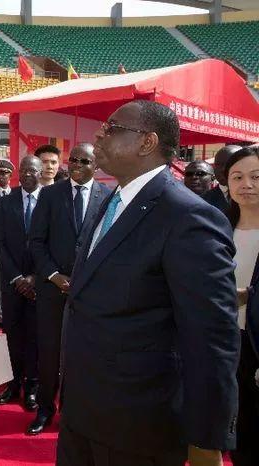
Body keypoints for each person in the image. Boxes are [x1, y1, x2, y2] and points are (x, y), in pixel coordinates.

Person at [57, 101, 239, 466]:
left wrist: (206, 437)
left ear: (147, 142)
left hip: (138, 426)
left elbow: (211, 336)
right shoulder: (114, 200)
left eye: (111, 128)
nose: (99, 135)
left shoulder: (188, 217)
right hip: (82, 412)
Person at [29, 142, 111, 436]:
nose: (76, 164)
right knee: (49, 353)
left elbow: (109, 246)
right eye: (73, 159)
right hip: (52, 290)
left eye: (84, 161)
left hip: (89, 294)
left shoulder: (108, 197)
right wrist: (53, 276)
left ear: (96, 165)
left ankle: (73, 413)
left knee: (83, 355)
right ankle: (45, 410)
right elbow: (36, 242)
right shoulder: (51, 194)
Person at [0, 156, 44, 413]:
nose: (27, 174)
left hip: (41, 284)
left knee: (35, 337)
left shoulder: (51, 200)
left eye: (32, 170)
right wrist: (17, 277)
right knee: (12, 335)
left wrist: (35, 276)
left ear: (41, 172)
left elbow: (55, 243)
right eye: (23, 170)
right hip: (12, 283)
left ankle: (32, 386)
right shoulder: (5, 202)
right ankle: (13, 384)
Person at [224, 146, 259, 466]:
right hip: (226, 339)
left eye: (256, 177)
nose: (246, 184)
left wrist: (250, 295)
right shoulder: (217, 229)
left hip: (256, 341)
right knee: (238, 425)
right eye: (237, 177)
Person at [202, 145, 242, 214]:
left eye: (228, 164)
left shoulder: (255, 196)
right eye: (218, 165)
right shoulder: (203, 201)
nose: (223, 169)